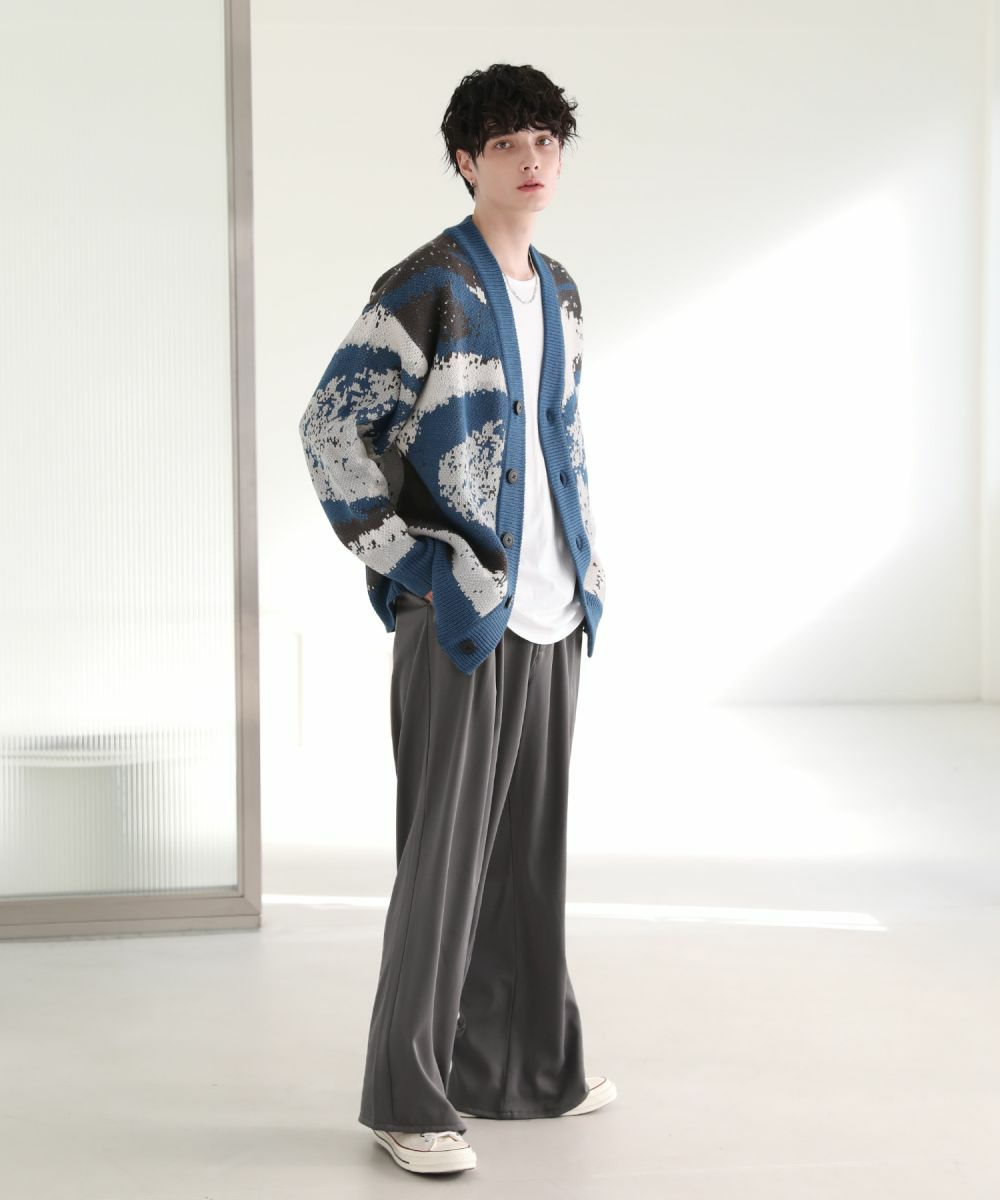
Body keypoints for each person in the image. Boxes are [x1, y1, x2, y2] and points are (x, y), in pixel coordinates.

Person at [298, 62, 613, 1176]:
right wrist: (410, 566)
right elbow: (332, 429)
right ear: (467, 160)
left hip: (555, 609)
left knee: (529, 856)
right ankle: (408, 1097)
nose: (534, 160)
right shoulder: (429, 284)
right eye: (510, 143)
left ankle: (521, 1066)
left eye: (547, 141)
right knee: (444, 863)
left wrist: (587, 573)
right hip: (464, 615)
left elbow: (557, 438)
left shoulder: (560, 290)